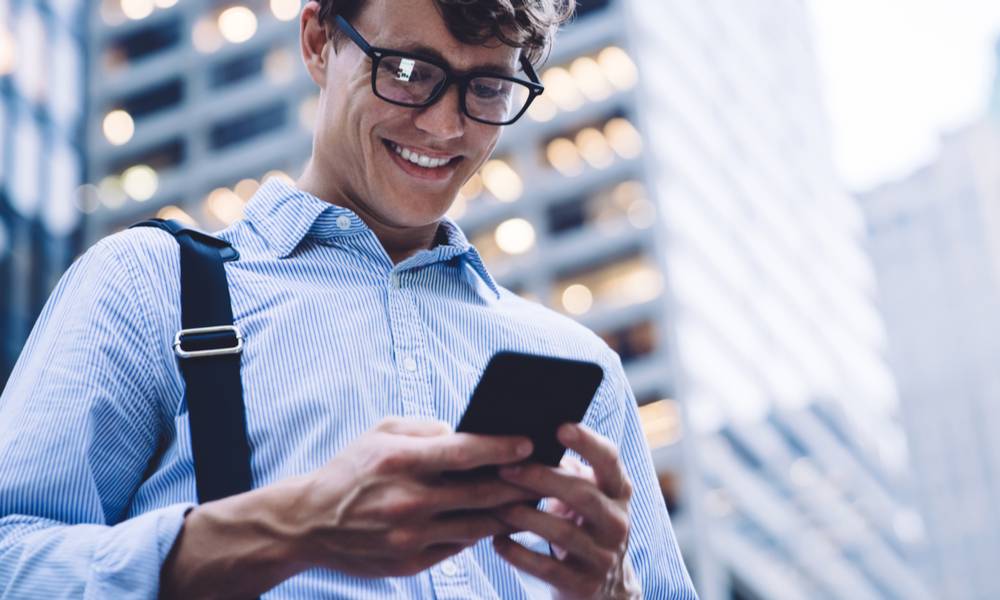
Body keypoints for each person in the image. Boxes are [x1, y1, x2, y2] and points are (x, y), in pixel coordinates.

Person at [0, 0, 697, 597]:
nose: (444, 127)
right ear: (317, 41)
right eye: (407, 72)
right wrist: (296, 525)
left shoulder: (580, 365)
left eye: (486, 87)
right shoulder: (150, 284)